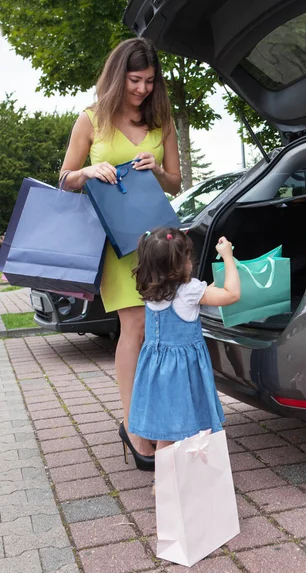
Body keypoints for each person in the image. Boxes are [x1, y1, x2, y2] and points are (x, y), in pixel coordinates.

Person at [59, 38, 181, 470]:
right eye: (134, 79)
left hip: (157, 246)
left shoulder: (161, 120)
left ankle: (146, 418)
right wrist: (88, 170)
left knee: (156, 332)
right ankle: (134, 427)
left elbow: (176, 183)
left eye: (149, 81)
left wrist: (158, 170)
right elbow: (65, 178)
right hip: (115, 245)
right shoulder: (92, 120)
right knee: (135, 328)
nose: (143, 88)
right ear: (117, 76)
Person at [127, 228, 240, 452]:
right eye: (187, 256)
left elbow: (191, 298)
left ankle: (164, 483)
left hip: (156, 372)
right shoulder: (190, 291)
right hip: (182, 373)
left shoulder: (151, 291)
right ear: (181, 264)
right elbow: (232, 294)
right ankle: (188, 479)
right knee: (188, 425)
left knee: (165, 432)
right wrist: (228, 256)